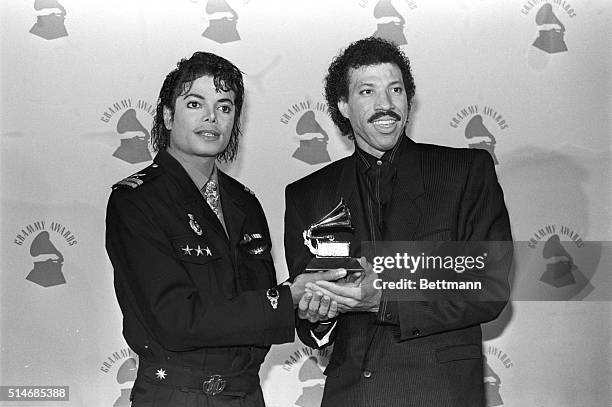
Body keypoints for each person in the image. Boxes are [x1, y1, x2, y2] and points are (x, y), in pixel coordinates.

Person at [105, 51, 344, 407]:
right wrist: (287, 298)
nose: (211, 117)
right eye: (195, 103)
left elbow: (257, 306)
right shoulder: (136, 201)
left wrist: (309, 302)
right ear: (168, 116)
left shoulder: (245, 203)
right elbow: (175, 320)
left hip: (246, 394)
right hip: (174, 396)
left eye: (225, 107)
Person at [284, 37, 513, 407]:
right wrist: (316, 316)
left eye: (395, 90)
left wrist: (385, 300)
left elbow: (489, 289)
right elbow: (311, 322)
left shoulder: (464, 172)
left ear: (409, 99)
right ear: (342, 105)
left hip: (439, 392)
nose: (386, 105)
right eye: (367, 91)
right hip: (351, 394)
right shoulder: (308, 194)